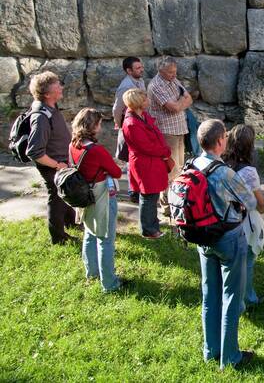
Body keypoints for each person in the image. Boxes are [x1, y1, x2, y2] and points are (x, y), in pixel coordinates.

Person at [193, 119, 256, 370]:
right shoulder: (224, 172)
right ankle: (230, 356)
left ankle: (210, 350)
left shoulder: (192, 166)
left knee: (209, 295)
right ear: (220, 141)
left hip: (201, 237)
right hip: (227, 237)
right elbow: (250, 202)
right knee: (231, 296)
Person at [69, 108, 124, 292]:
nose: (100, 127)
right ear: (93, 126)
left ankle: (91, 272)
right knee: (105, 239)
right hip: (100, 195)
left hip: (83, 194)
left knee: (89, 233)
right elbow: (116, 172)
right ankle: (109, 283)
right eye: (99, 124)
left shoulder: (73, 145)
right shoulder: (96, 150)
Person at [25, 71, 77, 244]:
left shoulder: (51, 107)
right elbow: (34, 151)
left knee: (67, 191)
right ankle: (58, 237)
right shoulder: (40, 117)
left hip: (62, 162)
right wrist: (57, 165)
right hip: (53, 164)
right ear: (47, 94)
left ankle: (71, 223)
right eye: (57, 86)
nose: (61, 88)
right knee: (56, 197)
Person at [223, 124, 264, 309]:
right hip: (241, 221)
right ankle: (247, 297)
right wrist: (261, 209)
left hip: (223, 217)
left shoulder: (223, 162)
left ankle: (230, 296)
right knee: (246, 261)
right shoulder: (248, 171)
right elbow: (260, 203)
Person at [121, 89, 171, 239]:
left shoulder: (141, 116)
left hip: (151, 161)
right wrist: (164, 151)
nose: (148, 101)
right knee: (148, 195)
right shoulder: (131, 123)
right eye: (145, 99)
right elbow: (146, 147)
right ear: (137, 103)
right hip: (144, 163)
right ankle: (148, 230)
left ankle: (152, 223)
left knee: (152, 194)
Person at [147, 56, 193, 216]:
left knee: (179, 167)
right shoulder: (156, 85)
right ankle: (167, 206)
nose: (173, 75)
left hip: (180, 128)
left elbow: (190, 99)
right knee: (170, 170)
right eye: (170, 72)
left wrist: (179, 103)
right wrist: (181, 101)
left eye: (175, 71)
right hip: (167, 131)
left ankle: (176, 202)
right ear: (160, 71)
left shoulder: (173, 80)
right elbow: (173, 107)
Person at [112, 56, 146, 202]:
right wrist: (120, 124)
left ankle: (138, 188)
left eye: (141, 66)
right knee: (132, 159)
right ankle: (133, 191)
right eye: (137, 68)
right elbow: (117, 108)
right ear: (128, 71)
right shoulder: (126, 86)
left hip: (140, 122)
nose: (141, 69)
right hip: (130, 124)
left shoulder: (140, 81)